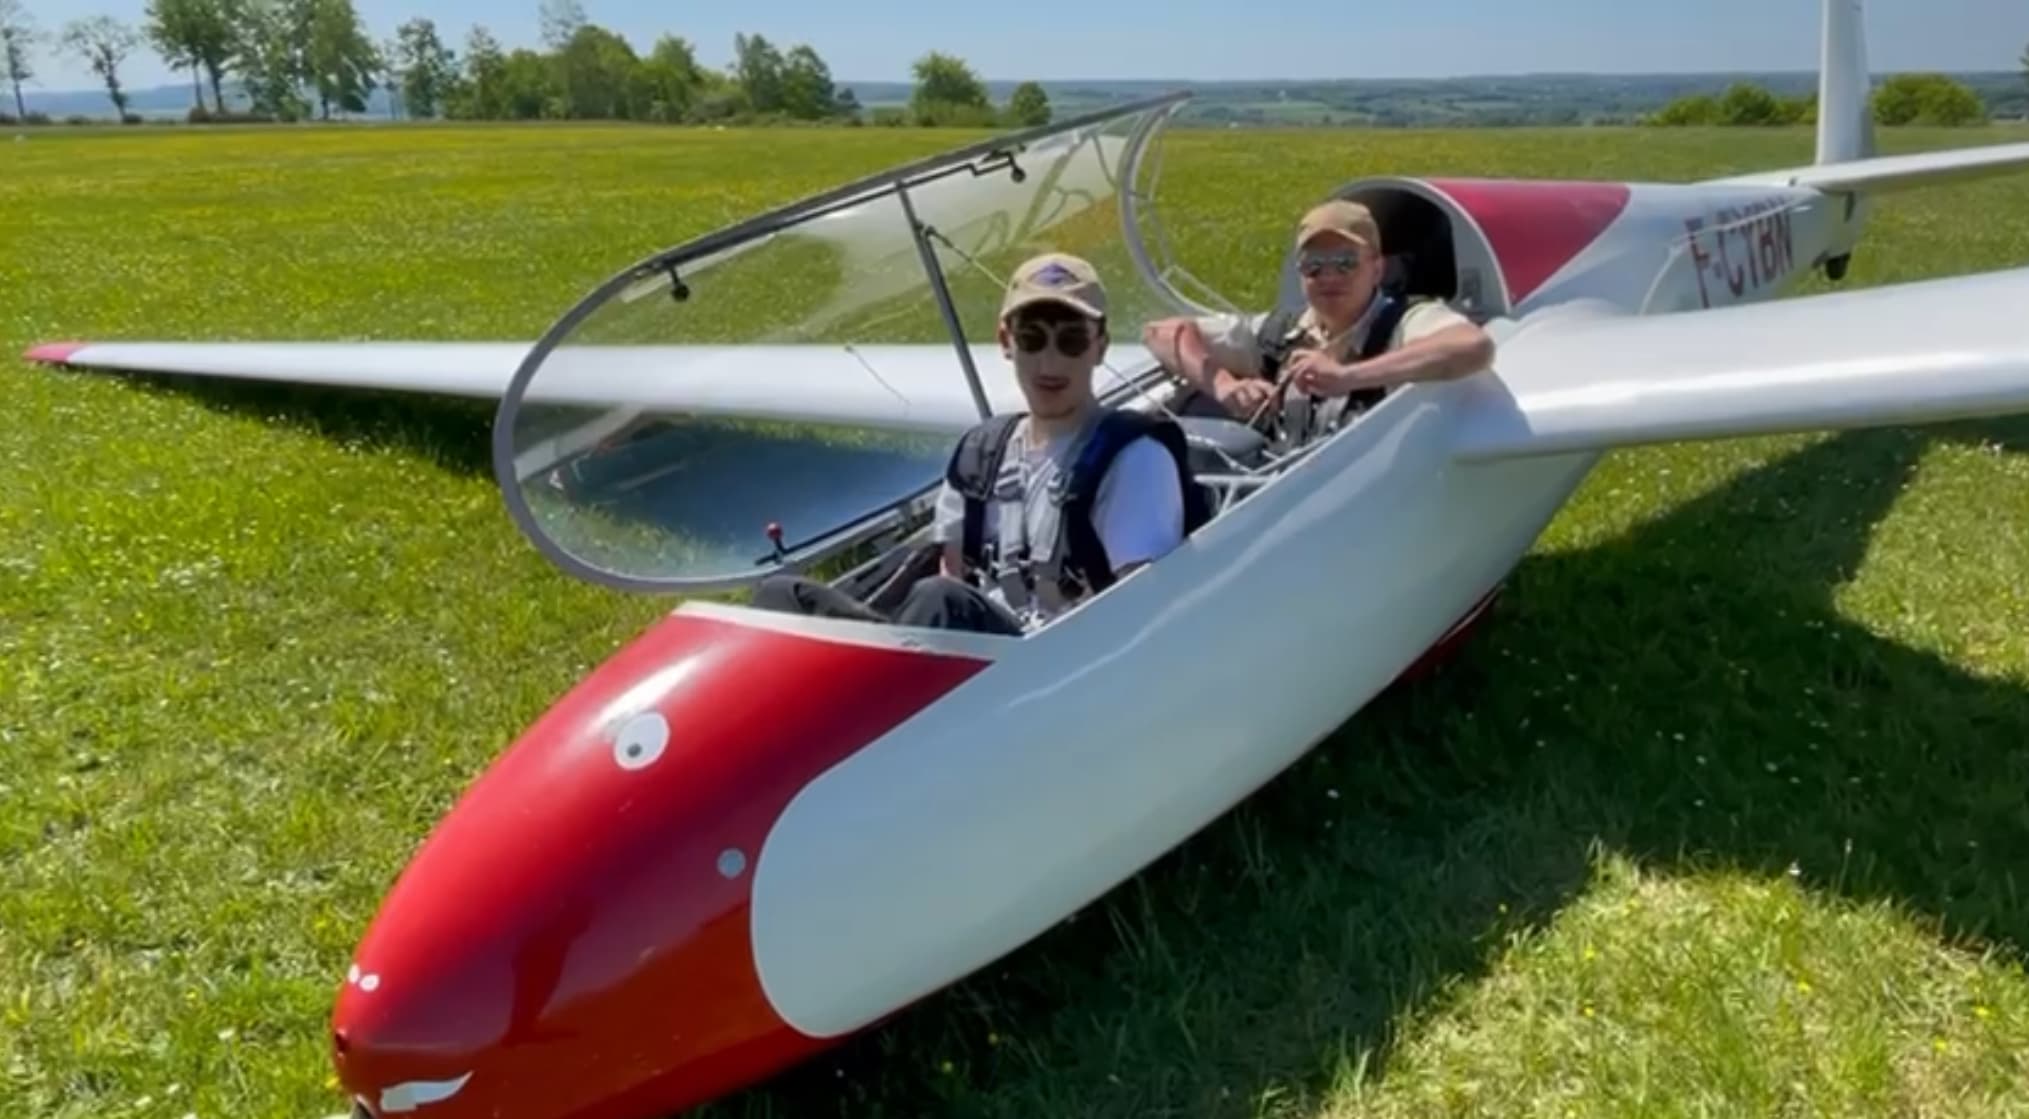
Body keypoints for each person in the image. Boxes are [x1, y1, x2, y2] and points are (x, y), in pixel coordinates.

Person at [750, 252, 1198, 635]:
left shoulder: (1133, 460)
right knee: (780, 594)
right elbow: (953, 571)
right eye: (1032, 339)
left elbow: (1145, 617)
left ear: (1099, 347)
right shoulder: (982, 455)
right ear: (1006, 342)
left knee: (941, 601)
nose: (1050, 361)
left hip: (1063, 669)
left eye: (1072, 341)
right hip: (974, 660)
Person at [1142, 198, 1495, 444]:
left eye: (1345, 262)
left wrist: (1347, 377)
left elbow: (1472, 346)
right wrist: (1224, 386)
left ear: (1377, 267)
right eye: (1314, 265)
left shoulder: (1406, 320)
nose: (1329, 276)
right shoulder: (1280, 332)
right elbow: (1161, 333)